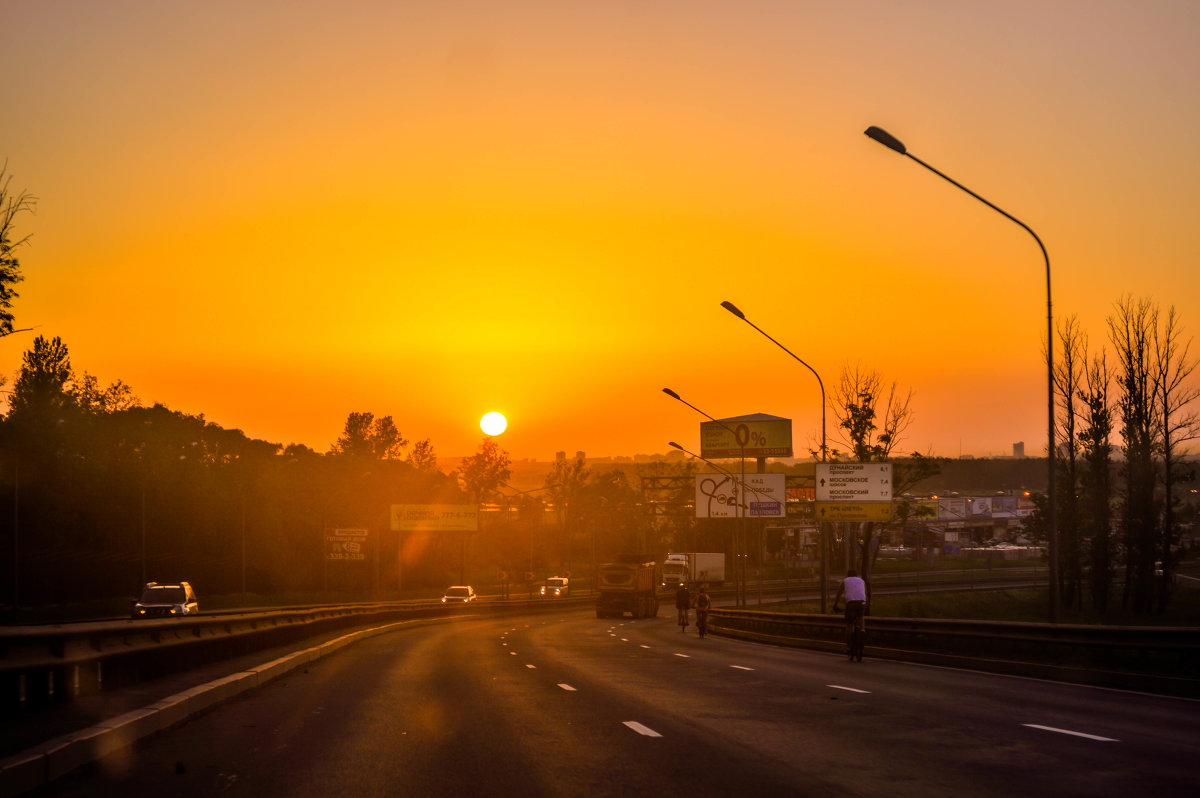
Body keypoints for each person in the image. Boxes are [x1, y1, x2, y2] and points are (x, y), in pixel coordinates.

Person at [832, 569, 869, 659]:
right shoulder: (862, 581)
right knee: (861, 617)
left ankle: (848, 646)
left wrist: (835, 605)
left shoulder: (845, 581)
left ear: (847, 575)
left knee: (849, 624)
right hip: (862, 602)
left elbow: (839, 594)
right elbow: (865, 593)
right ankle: (863, 630)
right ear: (856, 575)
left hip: (851, 604)